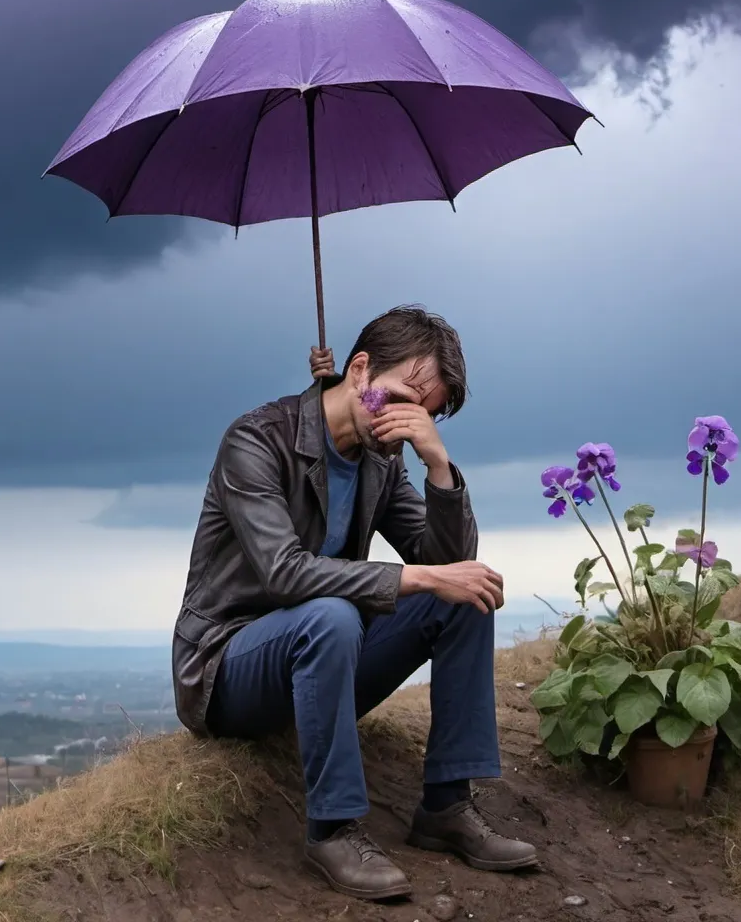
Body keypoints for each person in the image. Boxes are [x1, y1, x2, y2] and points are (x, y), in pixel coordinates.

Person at [172, 306, 537, 901]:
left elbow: (446, 566)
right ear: (360, 370)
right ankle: (333, 829)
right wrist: (414, 578)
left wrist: (438, 465)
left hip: (324, 660)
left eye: (423, 411)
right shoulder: (256, 439)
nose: (403, 419)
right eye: (398, 397)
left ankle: (446, 807)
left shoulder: (382, 463)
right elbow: (285, 574)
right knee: (332, 613)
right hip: (226, 670)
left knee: (466, 594)